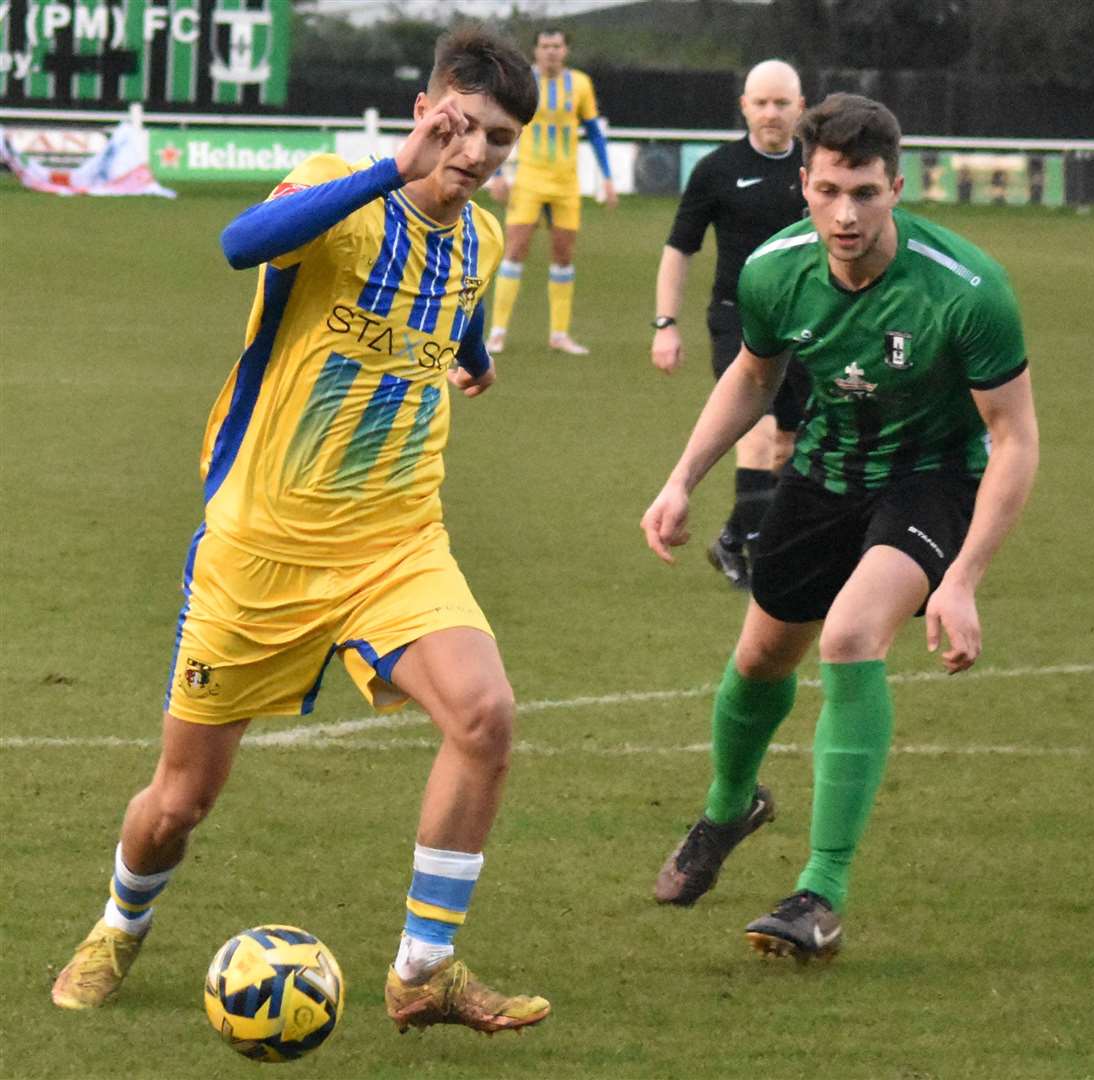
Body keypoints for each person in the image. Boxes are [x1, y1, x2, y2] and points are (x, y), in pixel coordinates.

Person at [51, 28, 552, 1036]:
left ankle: (423, 968)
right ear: (423, 111)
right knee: (180, 801)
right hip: (260, 548)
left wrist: (474, 356)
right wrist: (390, 172)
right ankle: (119, 922)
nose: (474, 154)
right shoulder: (339, 186)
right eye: (458, 128)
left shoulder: (484, 239)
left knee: (485, 717)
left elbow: (460, 310)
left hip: (398, 539)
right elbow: (240, 244)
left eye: (496, 140)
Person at [641, 93, 1038, 963]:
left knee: (851, 638)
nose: (845, 212)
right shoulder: (776, 270)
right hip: (824, 470)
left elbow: (1014, 437)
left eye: (864, 191)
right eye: (827, 191)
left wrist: (964, 577)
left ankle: (821, 891)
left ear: (897, 186)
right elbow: (753, 377)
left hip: (934, 479)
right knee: (757, 660)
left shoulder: (966, 290)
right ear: (806, 188)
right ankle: (727, 808)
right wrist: (681, 481)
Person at [651, 59, 812, 590]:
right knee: (759, 434)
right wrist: (665, 323)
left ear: (800, 108)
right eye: (761, 102)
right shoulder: (717, 169)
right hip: (736, 318)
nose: (771, 113)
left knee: (794, 445)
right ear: (744, 105)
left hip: (807, 323)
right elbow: (679, 249)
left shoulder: (816, 173)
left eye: (782, 103)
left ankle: (731, 540)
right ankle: (769, 563)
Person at [486, 28, 617, 356]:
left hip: (565, 183)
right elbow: (500, 124)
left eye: (556, 46)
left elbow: (594, 132)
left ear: (566, 51)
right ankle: (497, 333)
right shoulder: (521, 81)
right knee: (515, 249)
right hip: (529, 179)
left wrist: (608, 178)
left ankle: (559, 334)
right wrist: (497, 173)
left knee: (563, 254)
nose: (551, 52)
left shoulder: (581, 84)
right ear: (535, 50)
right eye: (545, 46)